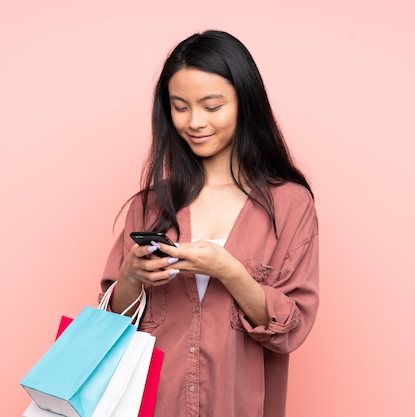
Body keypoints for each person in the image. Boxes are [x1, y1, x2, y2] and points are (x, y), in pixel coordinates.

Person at [100, 30, 319, 417]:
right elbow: (110, 328)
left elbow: (291, 327)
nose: (194, 122)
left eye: (212, 106)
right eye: (180, 106)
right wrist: (131, 276)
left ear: (245, 104)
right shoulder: (150, 205)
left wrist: (229, 271)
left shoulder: (289, 204)